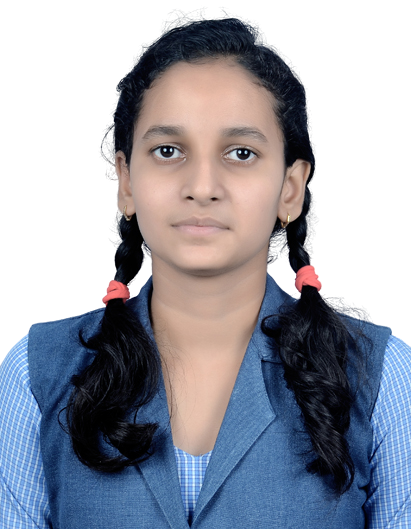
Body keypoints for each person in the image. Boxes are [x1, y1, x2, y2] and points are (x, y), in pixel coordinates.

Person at [1, 9, 410, 529]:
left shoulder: (385, 378)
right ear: (125, 181)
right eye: (168, 150)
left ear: (290, 189)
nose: (201, 186)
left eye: (240, 152)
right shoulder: (33, 374)